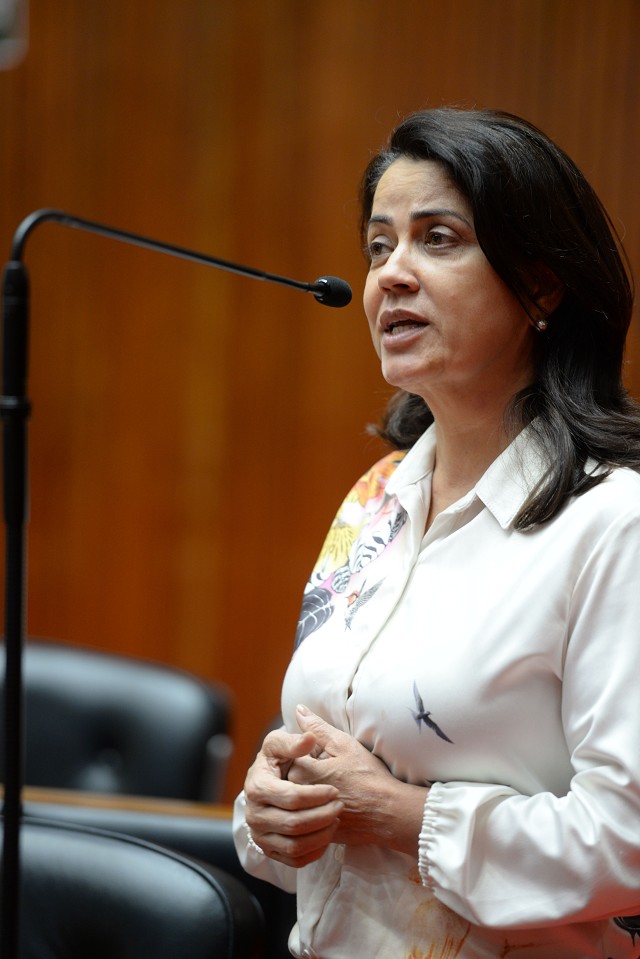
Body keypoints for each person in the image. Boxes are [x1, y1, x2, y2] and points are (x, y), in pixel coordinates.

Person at [233, 107, 640, 958]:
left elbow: (626, 836)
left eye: (438, 239)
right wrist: (270, 808)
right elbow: (324, 753)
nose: (392, 275)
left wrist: (399, 815)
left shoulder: (614, 521)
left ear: (541, 286)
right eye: (379, 246)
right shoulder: (375, 496)